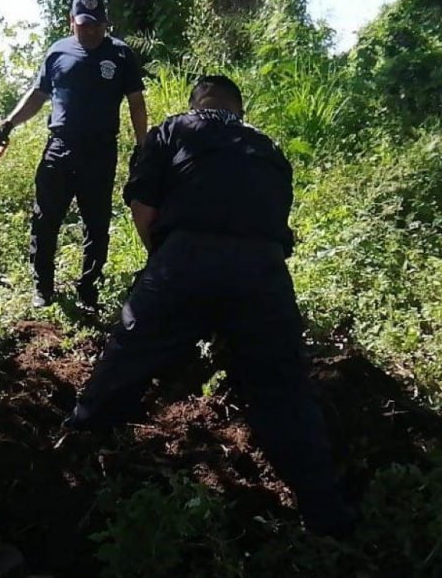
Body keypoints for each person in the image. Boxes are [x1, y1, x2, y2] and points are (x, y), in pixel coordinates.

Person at [64, 76, 355, 536]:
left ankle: (75, 447)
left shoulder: (174, 128)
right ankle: (325, 513)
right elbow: (275, 221)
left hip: (188, 255)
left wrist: (163, 269)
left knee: (130, 350)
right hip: (264, 269)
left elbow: (143, 205)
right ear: (238, 109)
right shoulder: (270, 148)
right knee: (285, 387)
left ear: (197, 102)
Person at [0, 0, 147, 311]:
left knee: (97, 223)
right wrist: (6, 125)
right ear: (71, 22)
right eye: (84, 24)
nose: (91, 31)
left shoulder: (120, 54)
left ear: (105, 23)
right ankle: (43, 288)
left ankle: (88, 291)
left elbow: (136, 102)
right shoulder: (57, 52)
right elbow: (37, 96)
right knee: (45, 219)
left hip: (100, 151)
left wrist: (143, 145)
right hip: (60, 148)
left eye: (97, 25)